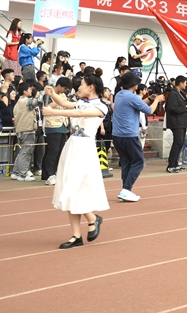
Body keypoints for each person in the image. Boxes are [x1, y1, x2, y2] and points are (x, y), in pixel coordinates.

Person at [41, 74, 109, 249]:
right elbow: (66, 104)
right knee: (68, 187)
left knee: (73, 189)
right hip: (72, 145)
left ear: (91, 87)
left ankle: (92, 218)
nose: (79, 87)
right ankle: (76, 234)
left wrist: (53, 112)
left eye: (82, 84)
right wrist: (52, 93)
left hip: (84, 148)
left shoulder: (101, 106)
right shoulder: (82, 102)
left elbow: (78, 113)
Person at [112, 73, 164, 201]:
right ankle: (126, 189)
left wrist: (150, 99)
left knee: (126, 162)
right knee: (139, 162)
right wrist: (157, 100)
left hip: (117, 135)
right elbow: (149, 111)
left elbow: (137, 104)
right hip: (129, 135)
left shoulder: (119, 94)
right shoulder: (132, 97)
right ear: (133, 84)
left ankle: (125, 190)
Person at [10, 82, 43, 182]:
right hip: (27, 129)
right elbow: (38, 101)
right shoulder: (27, 101)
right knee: (26, 152)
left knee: (22, 152)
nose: (31, 91)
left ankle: (16, 172)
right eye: (29, 89)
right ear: (24, 91)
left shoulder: (17, 103)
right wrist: (43, 92)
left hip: (20, 129)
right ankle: (23, 174)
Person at [41, 77, 71, 185]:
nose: (64, 91)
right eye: (64, 88)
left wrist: (63, 101)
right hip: (52, 125)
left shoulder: (63, 95)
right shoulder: (48, 93)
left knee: (59, 151)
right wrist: (60, 101)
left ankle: (53, 172)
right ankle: (49, 173)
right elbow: (47, 107)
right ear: (59, 86)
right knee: (52, 151)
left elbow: (66, 106)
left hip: (62, 124)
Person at [165, 76, 187, 173]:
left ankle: (175, 164)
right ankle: (171, 165)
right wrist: (185, 108)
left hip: (182, 121)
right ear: (180, 83)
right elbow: (172, 108)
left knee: (180, 143)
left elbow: (182, 105)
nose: (186, 85)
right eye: (185, 83)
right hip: (176, 122)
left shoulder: (181, 93)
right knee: (177, 142)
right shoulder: (173, 93)